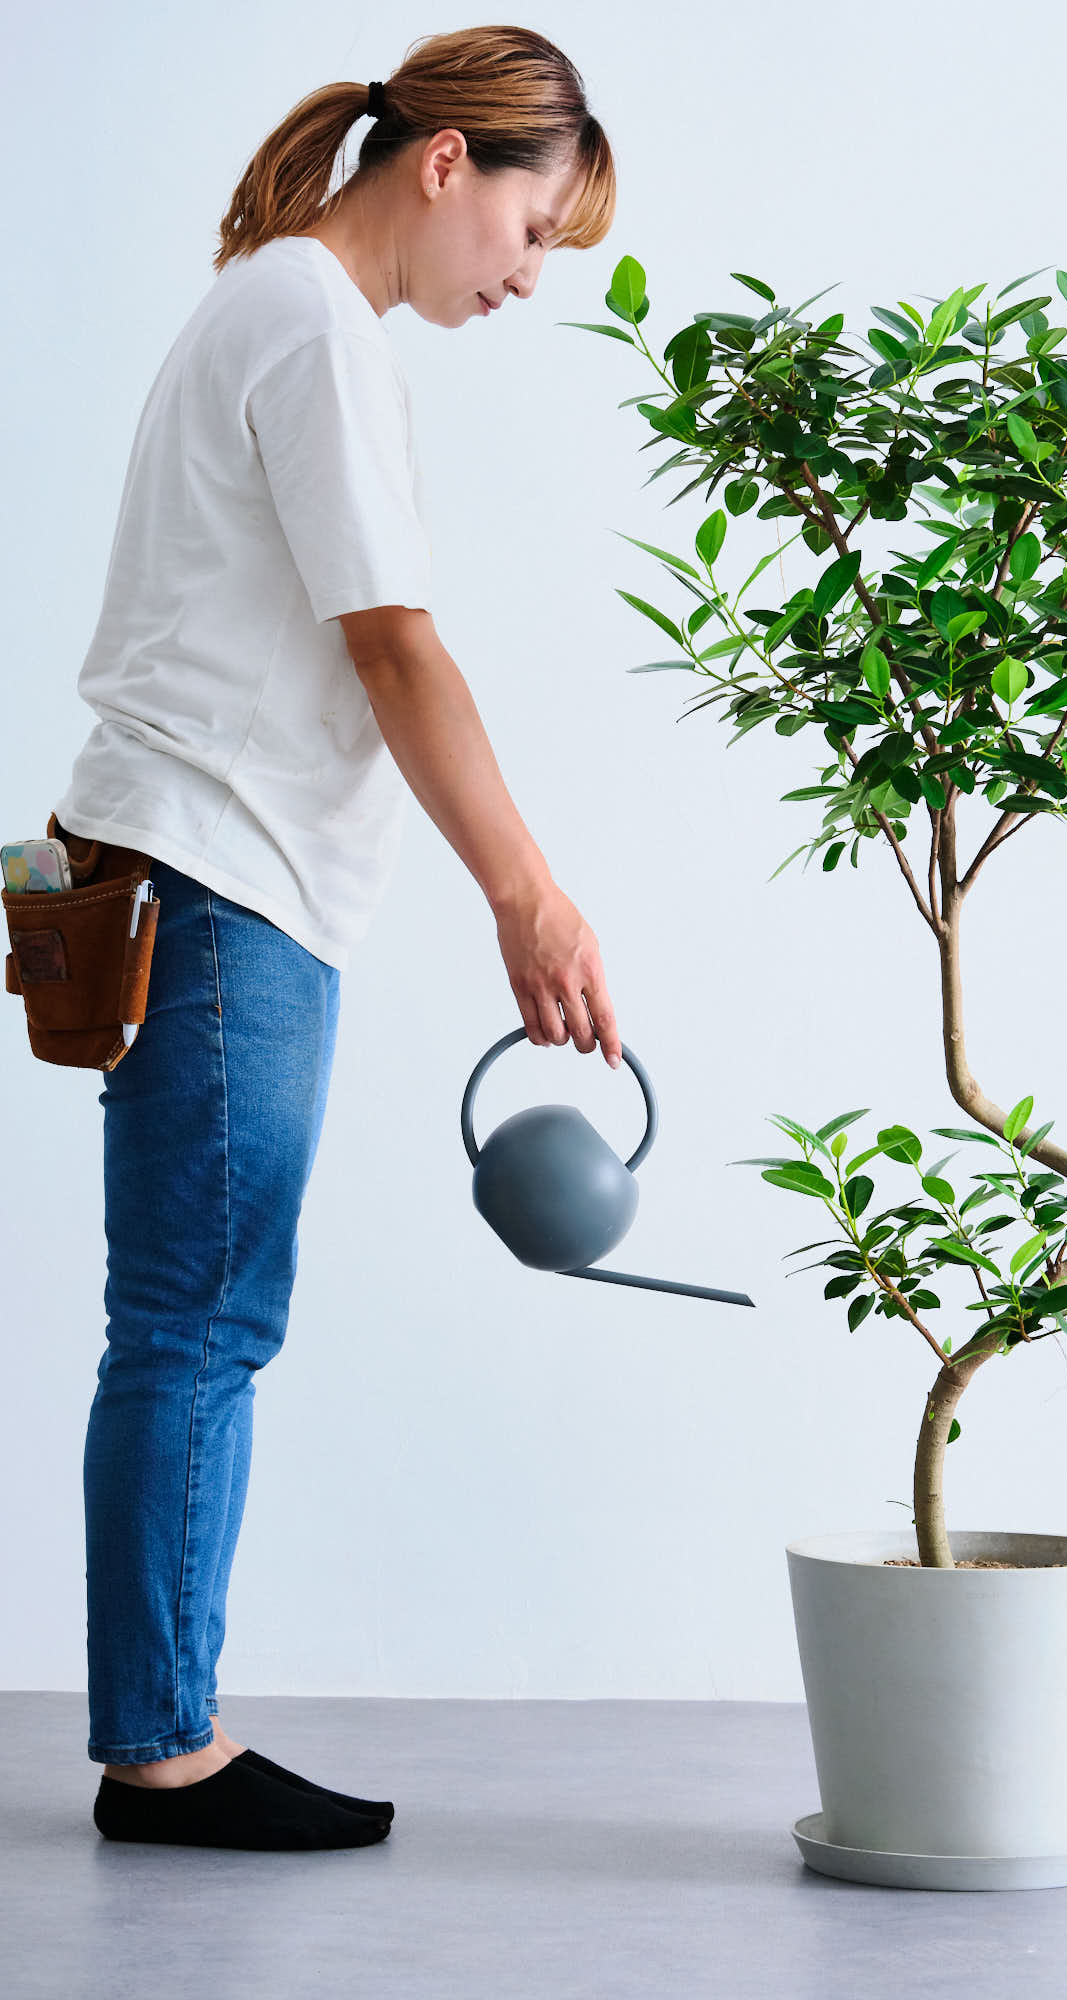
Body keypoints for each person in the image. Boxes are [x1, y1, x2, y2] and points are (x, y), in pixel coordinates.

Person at [50, 26, 620, 1851]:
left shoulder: (288, 310)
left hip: (216, 872)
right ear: (446, 163)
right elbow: (396, 649)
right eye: (534, 231)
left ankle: (165, 1730)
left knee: (191, 1315)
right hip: (221, 880)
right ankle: (163, 1755)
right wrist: (527, 889)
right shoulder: (306, 316)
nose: (532, 279)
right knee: (196, 1318)